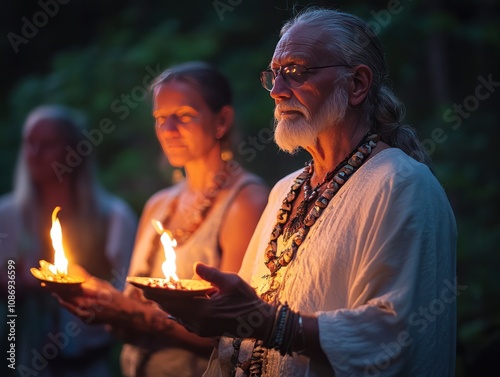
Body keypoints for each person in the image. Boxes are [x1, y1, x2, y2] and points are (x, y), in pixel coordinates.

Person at [142, 8, 458, 377]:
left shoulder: (401, 184)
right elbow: (244, 329)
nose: (276, 91)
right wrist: (219, 317)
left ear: (356, 84)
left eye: (295, 71)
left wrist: (264, 322)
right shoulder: (283, 191)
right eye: (273, 75)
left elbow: (394, 336)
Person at [53, 62, 270, 377]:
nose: (168, 130)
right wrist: (100, 300)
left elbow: (234, 333)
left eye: (184, 116)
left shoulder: (244, 200)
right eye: (159, 119)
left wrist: (128, 312)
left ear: (221, 121)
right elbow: (129, 317)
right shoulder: (159, 205)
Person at [0, 104, 138, 377]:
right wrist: (19, 281)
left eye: (47, 144)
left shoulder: (113, 217)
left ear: (73, 150)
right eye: (30, 143)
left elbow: (130, 298)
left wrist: (85, 291)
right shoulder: (7, 215)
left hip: (89, 363)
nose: (34, 154)